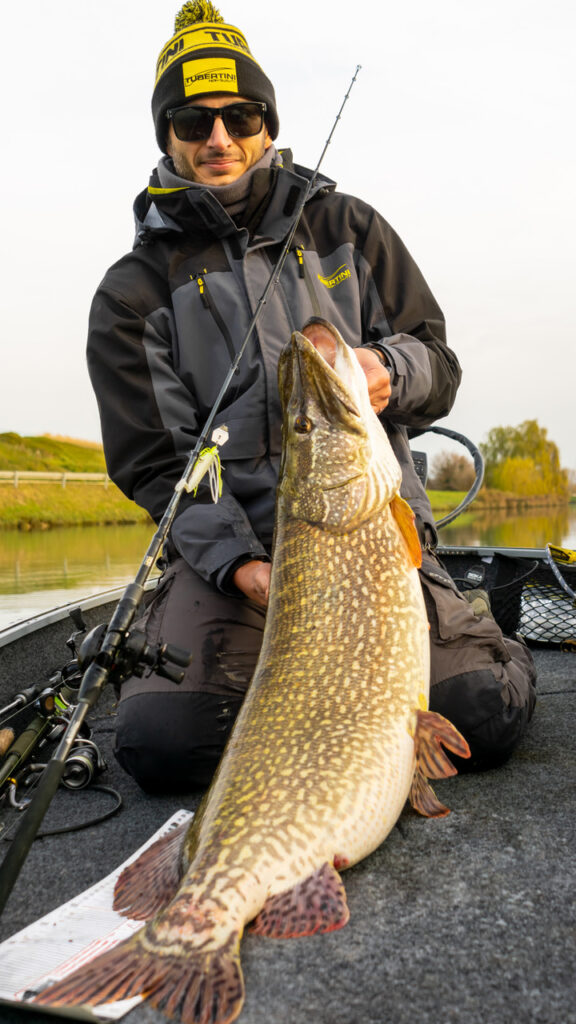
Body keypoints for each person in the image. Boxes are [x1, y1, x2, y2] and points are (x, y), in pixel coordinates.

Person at [88, 1, 536, 792]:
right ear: (167, 135)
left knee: (483, 709)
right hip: (238, 562)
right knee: (165, 744)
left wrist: (389, 369)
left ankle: (469, 637)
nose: (218, 138)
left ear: (266, 121)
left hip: (370, 534)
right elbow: (157, 465)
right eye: (193, 120)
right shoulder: (132, 292)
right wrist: (241, 567)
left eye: (239, 114)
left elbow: (441, 364)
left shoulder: (349, 226)